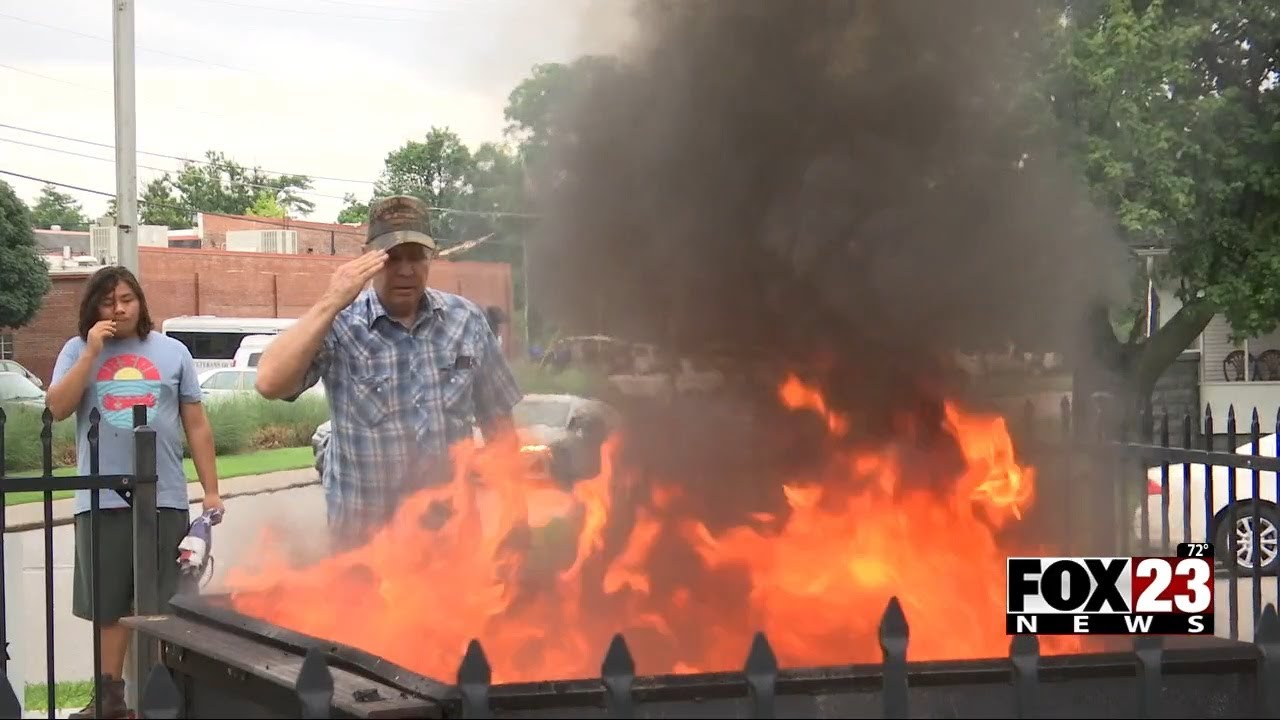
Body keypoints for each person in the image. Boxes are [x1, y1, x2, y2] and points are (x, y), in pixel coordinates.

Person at [255, 195, 524, 550]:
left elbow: (499, 423)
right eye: (392, 257)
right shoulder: (339, 325)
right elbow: (269, 382)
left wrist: (516, 515)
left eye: (416, 256)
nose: (406, 270)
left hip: (451, 543)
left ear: (432, 256)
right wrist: (331, 301)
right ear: (368, 257)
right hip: (365, 548)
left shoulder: (466, 321)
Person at [44, 265, 222, 719]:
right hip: (100, 496)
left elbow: (196, 424)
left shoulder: (172, 351)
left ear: (140, 301)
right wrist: (92, 352)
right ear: (93, 308)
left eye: (126, 299)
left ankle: (164, 694)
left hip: (163, 496)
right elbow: (58, 407)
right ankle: (110, 700)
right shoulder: (76, 349)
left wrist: (212, 491)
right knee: (108, 604)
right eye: (107, 301)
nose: (119, 309)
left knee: (164, 602)